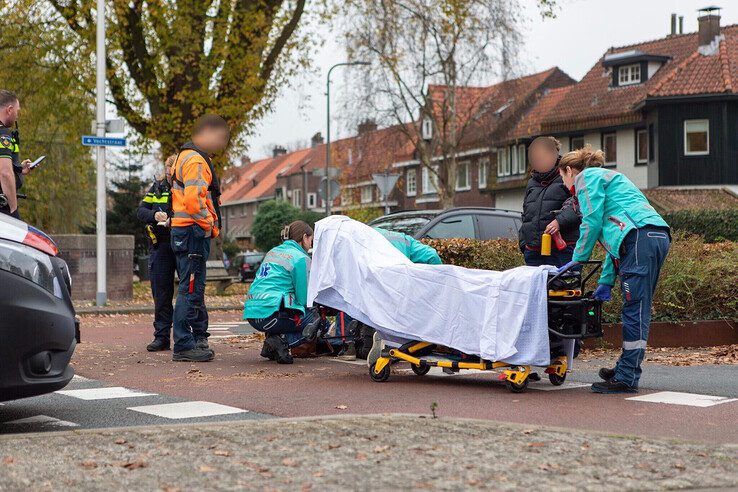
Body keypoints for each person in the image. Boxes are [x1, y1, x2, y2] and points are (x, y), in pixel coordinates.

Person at [557, 145, 670, 394]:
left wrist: (577, 260)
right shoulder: (608, 178)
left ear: (568, 171)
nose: (564, 185)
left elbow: (592, 221)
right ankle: (624, 368)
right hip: (651, 235)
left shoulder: (585, 177)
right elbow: (616, 242)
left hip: (639, 237)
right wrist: (606, 281)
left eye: (562, 178)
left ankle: (628, 377)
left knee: (635, 310)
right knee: (636, 308)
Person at [170, 114, 229, 362]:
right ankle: (184, 344)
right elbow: (196, 203)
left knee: (189, 286)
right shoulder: (195, 161)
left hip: (183, 231)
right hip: (193, 231)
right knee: (190, 288)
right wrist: (210, 226)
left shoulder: (185, 156)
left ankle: (190, 340)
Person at [138, 155, 211, 352]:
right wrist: (154, 215)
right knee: (161, 293)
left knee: (191, 289)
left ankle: (199, 334)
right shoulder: (158, 187)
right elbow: (141, 211)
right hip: (161, 245)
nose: (170, 177)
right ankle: (161, 336)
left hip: (182, 241)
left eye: (173, 173)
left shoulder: (185, 185)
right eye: (168, 173)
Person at [244, 220, 327, 365]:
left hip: (252, 313)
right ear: (304, 238)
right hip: (270, 313)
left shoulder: (273, 251)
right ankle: (282, 341)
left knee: (291, 310)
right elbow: (304, 299)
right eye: (311, 240)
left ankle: (272, 345)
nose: (311, 244)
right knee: (315, 319)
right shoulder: (301, 258)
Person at [519, 136, 580, 268]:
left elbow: (579, 204)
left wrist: (559, 221)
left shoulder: (567, 175)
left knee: (564, 287)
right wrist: (524, 244)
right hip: (533, 251)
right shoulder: (531, 182)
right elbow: (526, 213)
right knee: (537, 289)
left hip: (562, 249)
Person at [0, 90, 35, 220]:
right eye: (17, 111)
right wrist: (13, 209)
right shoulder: (3, 134)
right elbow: (4, 172)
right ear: (9, 110)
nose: (17, 116)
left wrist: (18, 168)